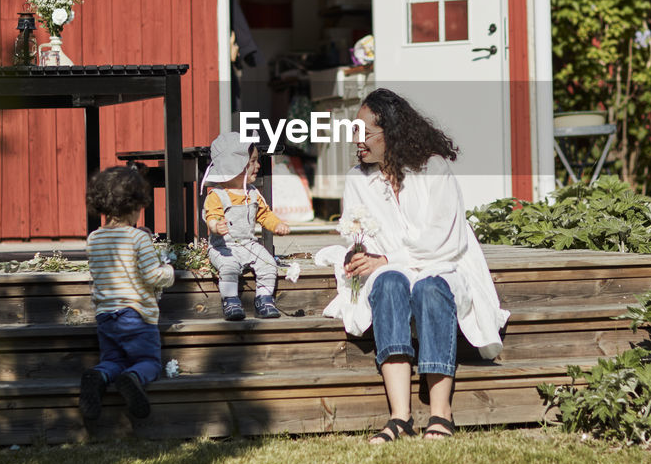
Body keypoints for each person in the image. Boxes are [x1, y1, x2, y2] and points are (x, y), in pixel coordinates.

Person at [321, 88, 508, 442]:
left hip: (444, 267)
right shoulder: (358, 180)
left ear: (390, 132)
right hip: (392, 272)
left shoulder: (432, 169)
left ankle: (441, 414)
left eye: (364, 132)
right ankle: (400, 417)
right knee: (390, 283)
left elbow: (444, 243)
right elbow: (364, 241)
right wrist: (363, 257)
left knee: (430, 287)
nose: (356, 141)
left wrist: (389, 259)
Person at [79, 166, 175, 421]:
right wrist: (169, 271)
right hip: (136, 315)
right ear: (135, 205)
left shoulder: (94, 238)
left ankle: (98, 375)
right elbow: (152, 275)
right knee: (148, 361)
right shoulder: (139, 239)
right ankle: (134, 379)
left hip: (106, 317)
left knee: (114, 360)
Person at [202, 131, 291, 320]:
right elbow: (212, 217)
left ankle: (264, 299)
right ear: (234, 164)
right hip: (223, 247)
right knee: (229, 267)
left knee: (268, 265)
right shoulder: (217, 195)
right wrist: (216, 226)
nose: (258, 166)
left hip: (249, 244)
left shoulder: (252, 193)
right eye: (252, 161)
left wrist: (277, 225)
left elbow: (264, 214)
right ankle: (230, 300)